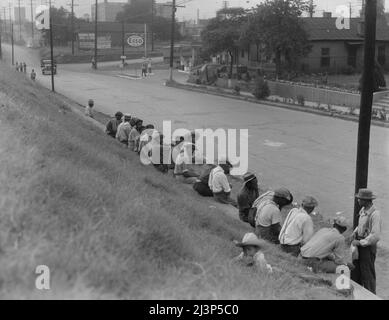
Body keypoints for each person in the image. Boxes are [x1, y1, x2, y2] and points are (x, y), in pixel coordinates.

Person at [350, 189, 382, 294]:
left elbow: (375, 235)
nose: (358, 200)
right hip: (359, 245)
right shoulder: (363, 210)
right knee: (355, 272)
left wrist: (360, 242)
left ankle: (371, 295)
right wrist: (354, 233)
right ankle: (356, 293)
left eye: (360, 199)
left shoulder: (375, 214)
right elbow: (361, 226)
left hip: (367, 248)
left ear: (366, 200)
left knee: (367, 274)